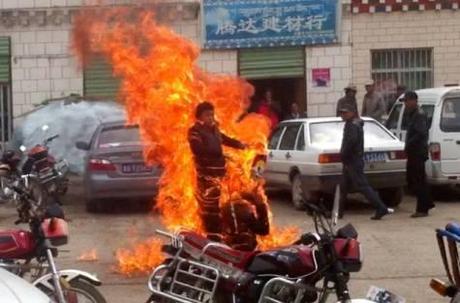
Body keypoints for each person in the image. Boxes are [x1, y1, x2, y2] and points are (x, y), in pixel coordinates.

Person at [188, 102, 246, 241]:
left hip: (219, 174)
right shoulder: (194, 131)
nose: (211, 117)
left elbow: (225, 139)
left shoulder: (215, 129)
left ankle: (220, 234)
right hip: (206, 176)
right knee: (209, 207)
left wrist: (240, 145)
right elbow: (197, 149)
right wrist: (219, 154)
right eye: (207, 115)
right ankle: (210, 235)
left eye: (212, 114)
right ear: (199, 117)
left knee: (221, 205)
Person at [338, 103, 393, 220]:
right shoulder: (354, 123)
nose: (342, 115)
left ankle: (381, 207)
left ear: (352, 113)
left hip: (352, 160)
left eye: (345, 112)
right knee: (343, 187)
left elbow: (351, 142)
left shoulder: (352, 125)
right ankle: (338, 212)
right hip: (351, 160)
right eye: (341, 112)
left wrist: (343, 154)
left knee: (363, 186)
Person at [401, 91, 435, 218]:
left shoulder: (419, 115)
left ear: (413, 100)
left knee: (418, 180)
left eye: (407, 101)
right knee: (415, 179)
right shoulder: (413, 114)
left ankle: (422, 209)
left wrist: (409, 143)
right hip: (414, 151)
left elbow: (420, 133)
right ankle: (428, 202)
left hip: (417, 152)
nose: (405, 104)